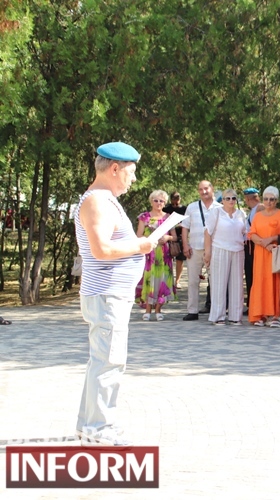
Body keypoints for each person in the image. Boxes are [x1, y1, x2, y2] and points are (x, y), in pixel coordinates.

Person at [74, 141, 156, 446]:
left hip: (110, 295)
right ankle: (99, 429)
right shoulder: (97, 201)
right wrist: (141, 245)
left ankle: (89, 426)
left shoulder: (104, 200)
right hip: (106, 295)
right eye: (131, 172)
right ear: (114, 169)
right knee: (109, 361)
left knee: (102, 360)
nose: (133, 179)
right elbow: (102, 249)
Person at [203, 189, 248, 326]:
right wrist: (208, 252)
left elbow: (246, 232)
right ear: (222, 200)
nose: (231, 201)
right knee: (218, 284)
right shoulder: (216, 212)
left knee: (237, 284)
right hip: (220, 249)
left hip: (238, 251)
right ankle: (218, 316)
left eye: (233, 198)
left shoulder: (241, 214)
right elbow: (207, 232)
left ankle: (235, 316)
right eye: (227, 198)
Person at [181, 181, 221, 321]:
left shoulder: (220, 208)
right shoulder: (192, 207)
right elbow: (185, 227)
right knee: (192, 281)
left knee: (215, 281)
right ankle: (192, 310)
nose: (204, 191)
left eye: (206, 188)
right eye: (200, 189)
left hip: (215, 249)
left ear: (212, 189)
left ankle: (216, 311)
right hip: (194, 248)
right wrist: (185, 245)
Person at [248, 186, 280, 327]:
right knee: (260, 282)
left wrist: (271, 239)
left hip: (276, 253)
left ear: (276, 200)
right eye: (266, 199)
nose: (268, 202)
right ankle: (261, 315)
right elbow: (252, 234)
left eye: (272, 199)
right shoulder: (257, 216)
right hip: (261, 253)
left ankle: (276, 315)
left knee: (276, 283)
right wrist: (265, 244)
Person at [135, 190, 177, 321]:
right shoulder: (144, 217)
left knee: (162, 280)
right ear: (151, 201)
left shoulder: (168, 218)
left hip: (164, 255)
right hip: (149, 254)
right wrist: (149, 239)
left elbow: (175, 236)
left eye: (161, 201)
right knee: (149, 279)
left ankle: (158, 308)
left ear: (165, 203)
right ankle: (148, 309)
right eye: (156, 200)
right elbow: (138, 235)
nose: (158, 203)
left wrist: (167, 237)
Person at [242, 187, 263, 313]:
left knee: (253, 276)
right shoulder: (253, 211)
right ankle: (252, 304)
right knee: (250, 276)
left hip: (253, 245)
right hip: (249, 245)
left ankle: (254, 305)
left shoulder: (259, 209)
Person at [164, 191, 186, 288]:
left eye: (177, 199)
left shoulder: (184, 209)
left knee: (180, 260)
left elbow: (187, 222)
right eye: (174, 199)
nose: (176, 201)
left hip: (180, 236)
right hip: (168, 236)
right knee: (167, 259)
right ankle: (167, 280)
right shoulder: (166, 209)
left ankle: (177, 281)